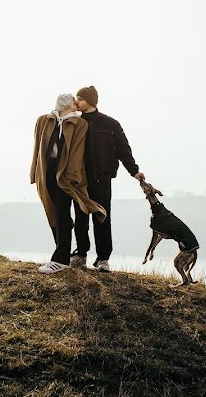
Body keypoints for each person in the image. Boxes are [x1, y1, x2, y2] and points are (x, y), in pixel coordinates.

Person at [70, 85, 144, 272]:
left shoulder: (110, 124)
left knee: (102, 217)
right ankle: (80, 255)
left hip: (102, 179)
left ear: (90, 101)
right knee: (80, 218)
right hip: (79, 180)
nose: (76, 101)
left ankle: (103, 259)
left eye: (79, 98)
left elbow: (123, 149)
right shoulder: (74, 123)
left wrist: (134, 171)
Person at [31, 93, 106, 274]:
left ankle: (61, 259)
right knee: (54, 212)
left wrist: (71, 176)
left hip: (66, 174)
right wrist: (34, 171)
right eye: (73, 100)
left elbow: (77, 152)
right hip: (47, 171)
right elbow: (36, 148)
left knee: (63, 213)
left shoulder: (80, 124)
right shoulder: (43, 120)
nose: (76, 104)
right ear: (65, 104)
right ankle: (61, 250)